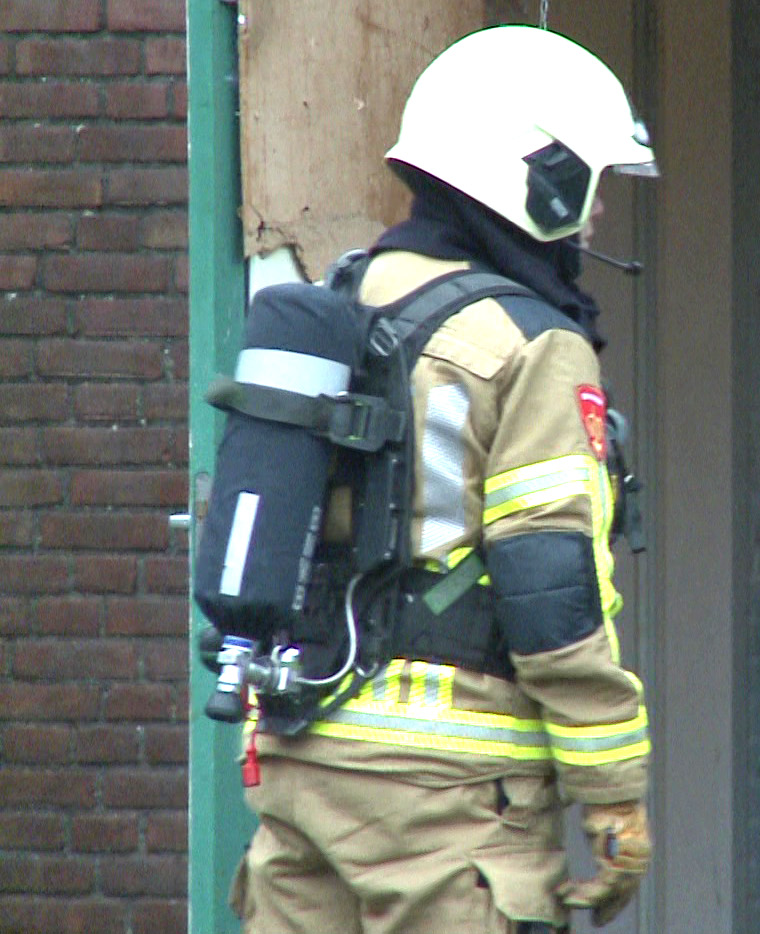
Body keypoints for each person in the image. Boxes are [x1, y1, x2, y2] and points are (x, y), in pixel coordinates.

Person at [229, 26, 657, 933]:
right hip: (448, 803)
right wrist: (613, 795)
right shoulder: (531, 343)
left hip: (298, 760)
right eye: (590, 185)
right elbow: (551, 594)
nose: (596, 219)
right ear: (535, 177)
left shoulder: (343, 301)